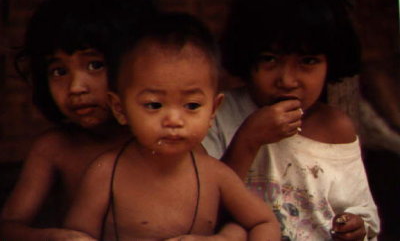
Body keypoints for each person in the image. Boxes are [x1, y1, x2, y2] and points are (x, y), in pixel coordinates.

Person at [63, 13, 281, 241]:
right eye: (154, 105)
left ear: (213, 111)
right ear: (119, 109)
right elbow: (75, 236)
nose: (174, 120)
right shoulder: (106, 173)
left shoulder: (215, 175)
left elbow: (263, 222)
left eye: (192, 105)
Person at [202, 0, 380, 240]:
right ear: (247, 56)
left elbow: (364, 213)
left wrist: (357, 226)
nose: (287, 80)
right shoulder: (217, 115)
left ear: (330, 62)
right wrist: (248, 140)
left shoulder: (335, 128)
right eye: (270, 59)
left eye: (307, 61)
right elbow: (202, 208)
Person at [0, 0, 158, 240]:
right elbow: (8, 227)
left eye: (95, 65)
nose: (75, 88)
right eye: (59, 71)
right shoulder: (54, 149)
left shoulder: (162, 138)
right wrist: (54, 237)